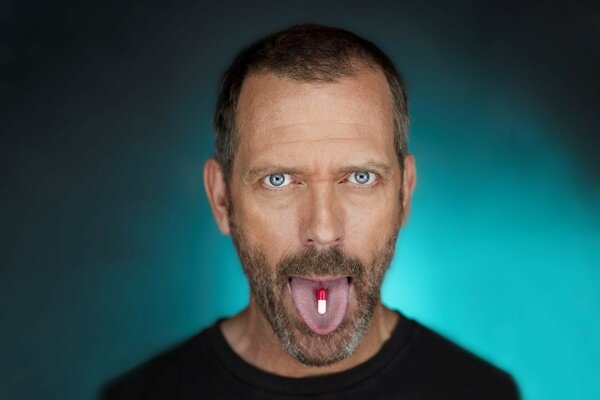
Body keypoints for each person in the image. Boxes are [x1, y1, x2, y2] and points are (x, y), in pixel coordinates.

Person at [101, 24, 520, 399]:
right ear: (222, 200)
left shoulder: (484, 393)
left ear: (405, 193)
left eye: (359, 178)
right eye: (279, 180)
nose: (322, 229)